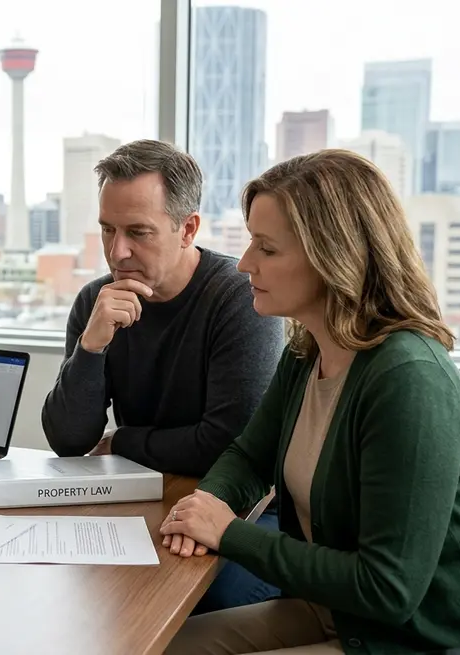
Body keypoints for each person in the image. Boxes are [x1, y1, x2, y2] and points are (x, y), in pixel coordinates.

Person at [160, 149, 460, 654]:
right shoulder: (307, 349)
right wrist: (205, 506)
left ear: (334, 256)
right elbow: (250, 457)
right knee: (163, 646)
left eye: (267, 249)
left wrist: (229, 534)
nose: (245, 263)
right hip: (343, 615)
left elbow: (388, 588)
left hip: (427, 638)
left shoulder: (409, 380)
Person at [41, 138, 285, 614]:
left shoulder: (240, 300)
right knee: (74, 589)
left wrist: (124, 441)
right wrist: (91, 347)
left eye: (138, 231)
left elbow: (226, 445)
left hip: (247, 511)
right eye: (107, 230)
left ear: (187, 228)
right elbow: (69, 441)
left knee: (189, 603)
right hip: (142, 499)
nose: (118, 251)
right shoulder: (98, 301)